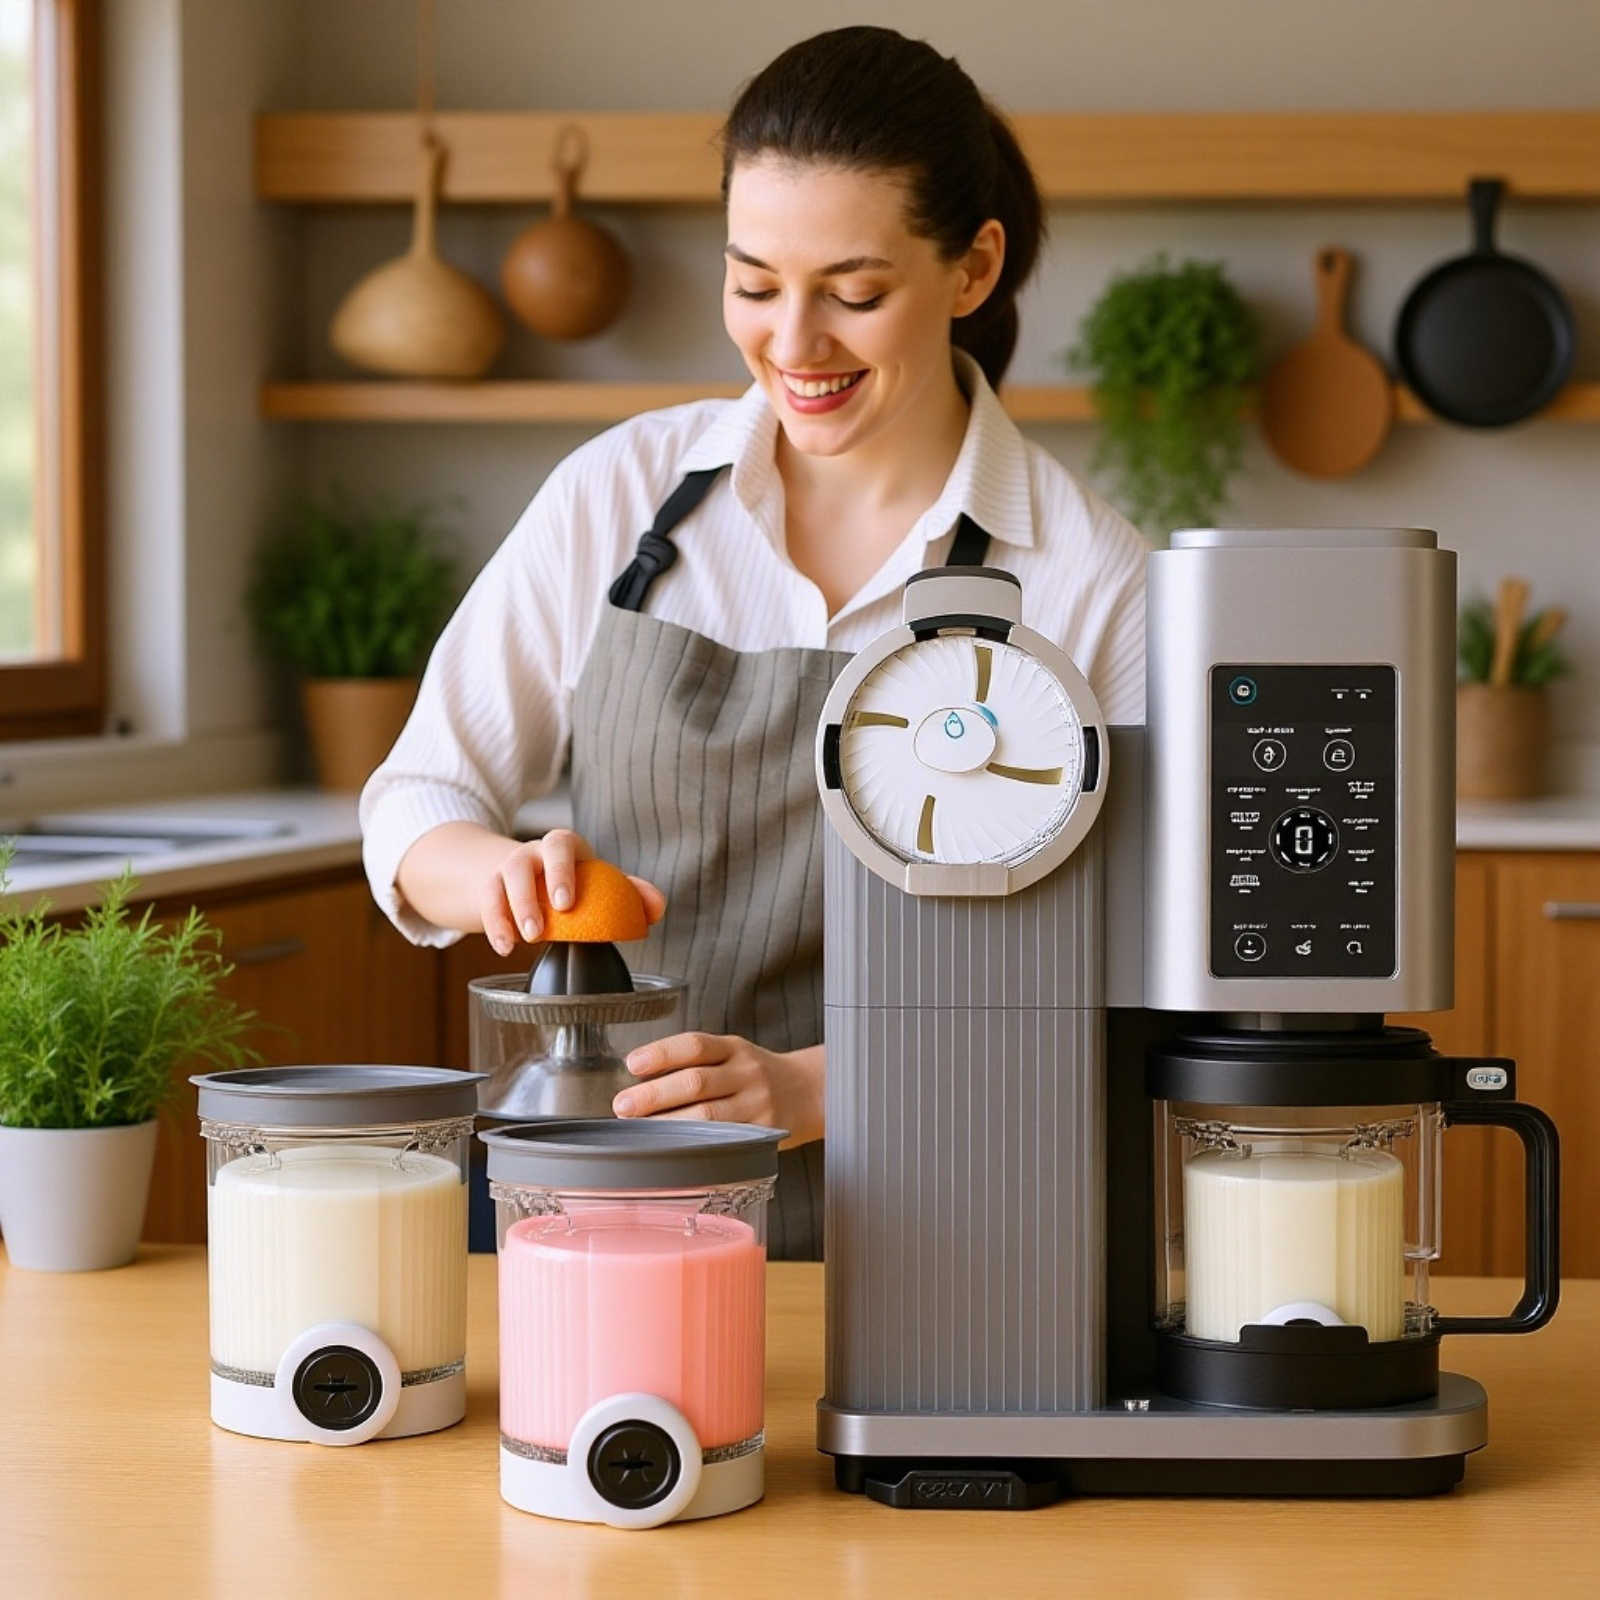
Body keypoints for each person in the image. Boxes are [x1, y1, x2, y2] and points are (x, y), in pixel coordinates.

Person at [359, 25, 1147, 1261]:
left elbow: (1126, 975)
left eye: (853, 293)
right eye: (753, 283)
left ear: (973, 268)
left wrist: (815, 1086)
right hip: (608, 1211)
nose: (793, 343)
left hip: (944, 1235)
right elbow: (415, 799)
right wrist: (494, 874)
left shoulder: (1086, 576)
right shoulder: (618, 494)